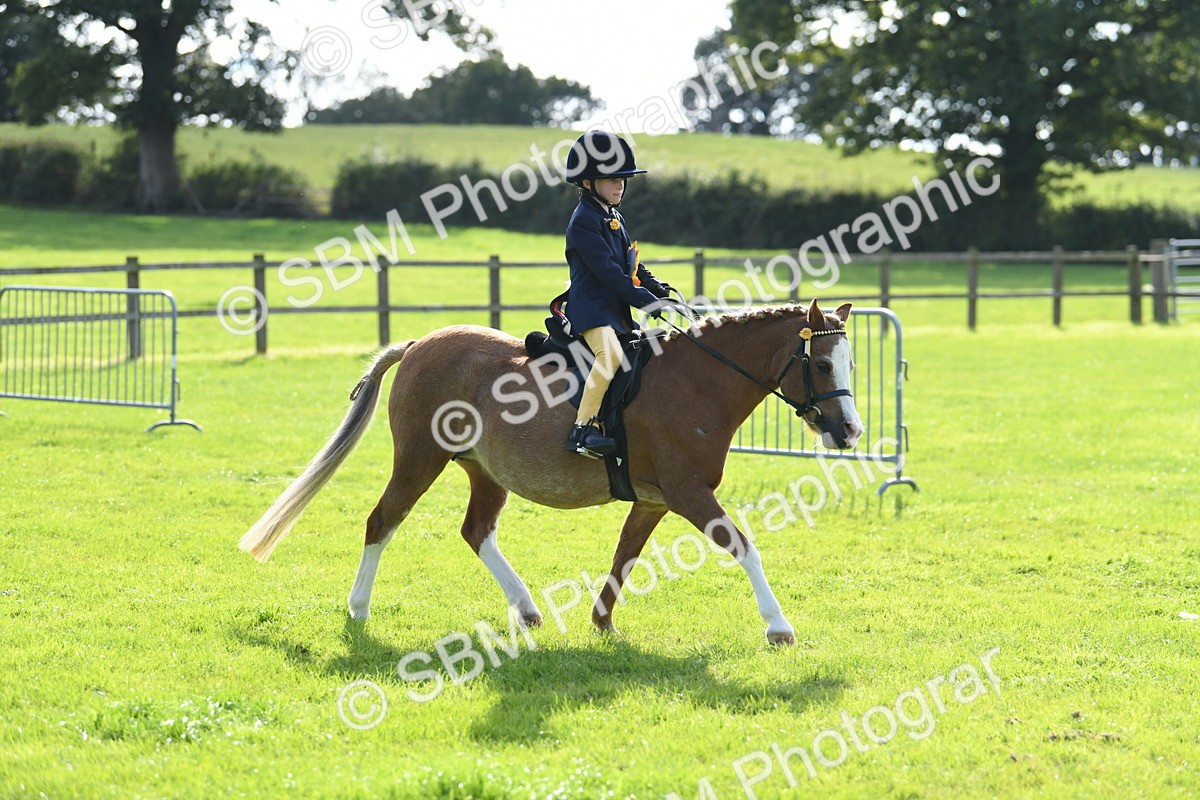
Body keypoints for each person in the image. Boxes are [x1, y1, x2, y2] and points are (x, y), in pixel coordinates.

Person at [562, 130, 675, 458]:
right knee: (609, 357)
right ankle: (583, 430)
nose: (619, 186)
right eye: (611, 180)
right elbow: (609, 274)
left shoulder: (613, 216)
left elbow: (630, 264)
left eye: (623, 179)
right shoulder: (584, 221)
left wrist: (662, 290)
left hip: (614, 311)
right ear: (587, 182)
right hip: (592, 311)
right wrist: (645, 301)